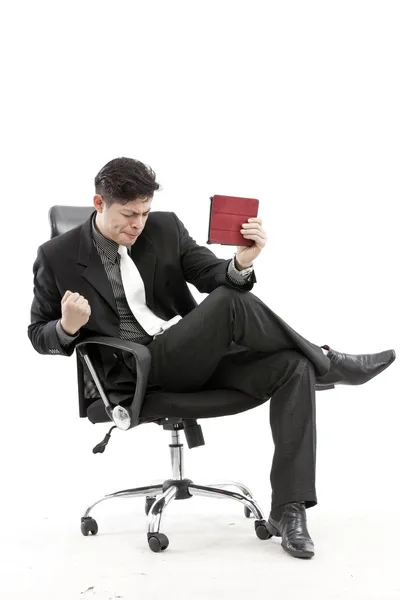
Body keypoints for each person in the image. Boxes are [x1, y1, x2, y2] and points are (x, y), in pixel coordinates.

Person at [28, 157, 396, 559]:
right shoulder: (57, 256)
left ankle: (289, 510)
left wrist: (241, 261)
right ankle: (331, 363)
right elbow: (37, 334)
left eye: (145, 213)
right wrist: (66, 326)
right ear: (99, 203)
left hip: (189, 355)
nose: (138, 224)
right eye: (128, 214)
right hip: (135, 373)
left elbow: (209, 273)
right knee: (228, 304)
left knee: (294, 366)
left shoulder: (164, 228)